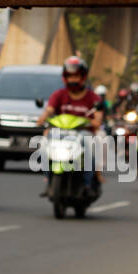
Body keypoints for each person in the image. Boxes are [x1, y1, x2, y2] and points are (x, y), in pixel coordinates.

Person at [37, 55, 104, 196]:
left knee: (91, 147)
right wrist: (42, 118)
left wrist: (93, 121)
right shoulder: (58, 95)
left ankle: (87, 184)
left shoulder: (93, 97)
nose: (73, 79)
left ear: (83, 77)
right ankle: (49, 181)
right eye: (70, 76)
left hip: (83, 133)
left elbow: (98, 118)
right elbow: (49, 110)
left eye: (76, 76)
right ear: (65, 77)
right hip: (60, 133)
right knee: (44, 143)